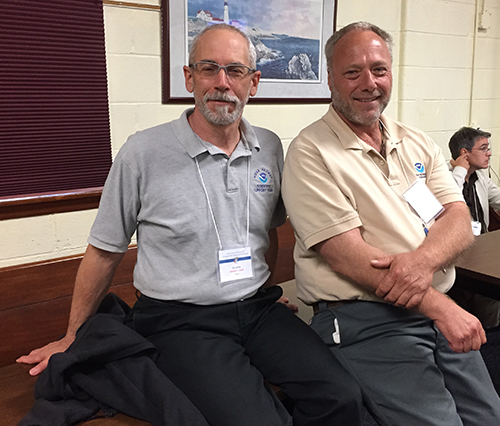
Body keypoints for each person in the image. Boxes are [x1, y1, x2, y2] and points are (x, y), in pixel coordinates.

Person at [17, 24, 363, 426]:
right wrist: (73, 334)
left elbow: (267, 230)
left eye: (235, 71)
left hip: (257, 311)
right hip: (179, 321)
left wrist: (261, 287)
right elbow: (104, 250)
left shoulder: (268, 146)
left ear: (254, 83)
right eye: (208, 69)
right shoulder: (142, 152)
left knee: (342, 396)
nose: (221, 83)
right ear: (189, 77)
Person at [282, 21, 500, 426]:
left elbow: (457, 218)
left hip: (432, 302)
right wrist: (440, 306)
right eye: (353, 72)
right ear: (330, 78)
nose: (369, 83)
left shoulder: (414, 140)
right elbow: (349, 259)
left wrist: (420, 269)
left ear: (391, 74)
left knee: (489, 417)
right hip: (364, 317)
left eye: (379, 70)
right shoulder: (310, 152)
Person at [447, 126, 500, 328]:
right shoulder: (446, 179)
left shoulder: (482, 180)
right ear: (464, 153)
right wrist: (460, 170)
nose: (489, 153)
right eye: (484, 148)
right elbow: (448, 199)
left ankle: (491, 334)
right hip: (458, 256)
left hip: (482, 252)